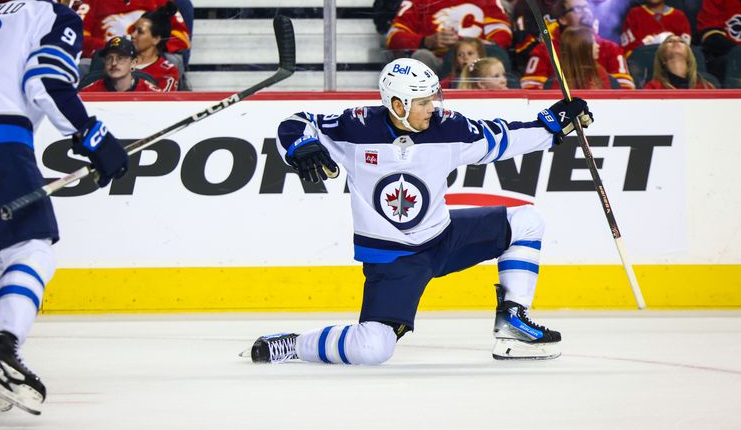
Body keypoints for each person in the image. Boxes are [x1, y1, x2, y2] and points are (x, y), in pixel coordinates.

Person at [246, 57, 593, 365]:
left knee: (527, 221)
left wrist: (552, 124)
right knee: (373, 349)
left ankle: (513, 322)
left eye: (434, 97)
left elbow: (500, 138)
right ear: (397, 104)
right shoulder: (356, 127)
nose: (434, 107)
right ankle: (294, 345)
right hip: (393, 262)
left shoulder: (448, 127)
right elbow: (296, 122)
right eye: (424, 101)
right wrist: (300, 146)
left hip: (444, 239)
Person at [0, 0, 128, 416]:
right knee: (34, 248)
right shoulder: (56, 14)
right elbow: (44, 82)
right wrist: (93, 135)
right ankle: (2, 352)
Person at [520, 0, 635, 89]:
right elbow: (531, 89)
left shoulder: (611, 48)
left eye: (587, 7)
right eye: (578, 9)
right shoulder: (545, 50)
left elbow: (625, 89)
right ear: (563, 19)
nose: (586, 12)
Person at [620, 0, 692, 56]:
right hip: (643, 64)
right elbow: (627, 49)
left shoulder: (679, 16)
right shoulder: (634, 14)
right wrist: (646, 44)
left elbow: (686, 49)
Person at [546, 26, 619, 89]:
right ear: (582, 49)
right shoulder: (551, 85)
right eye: (593, 42)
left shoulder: (609, 82)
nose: (598, 46)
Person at [130, 3, 181, 91]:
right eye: (134, 30)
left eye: (140, 32)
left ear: (156, 39)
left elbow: (163, 102)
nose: (133, 35)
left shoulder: (168, 72)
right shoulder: (119, 61)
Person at [82, 35, 160, 92]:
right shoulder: (88, 92)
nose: (114, 63)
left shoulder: (150, 92)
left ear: (133, 63)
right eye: (109, 58)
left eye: (120, 58)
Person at [643, 34, 716, 88]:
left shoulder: (705, 87)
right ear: (662, 56)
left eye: (681, 41)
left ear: (689, 55)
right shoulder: (653, 87)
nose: (676, 42)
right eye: (670, 41)